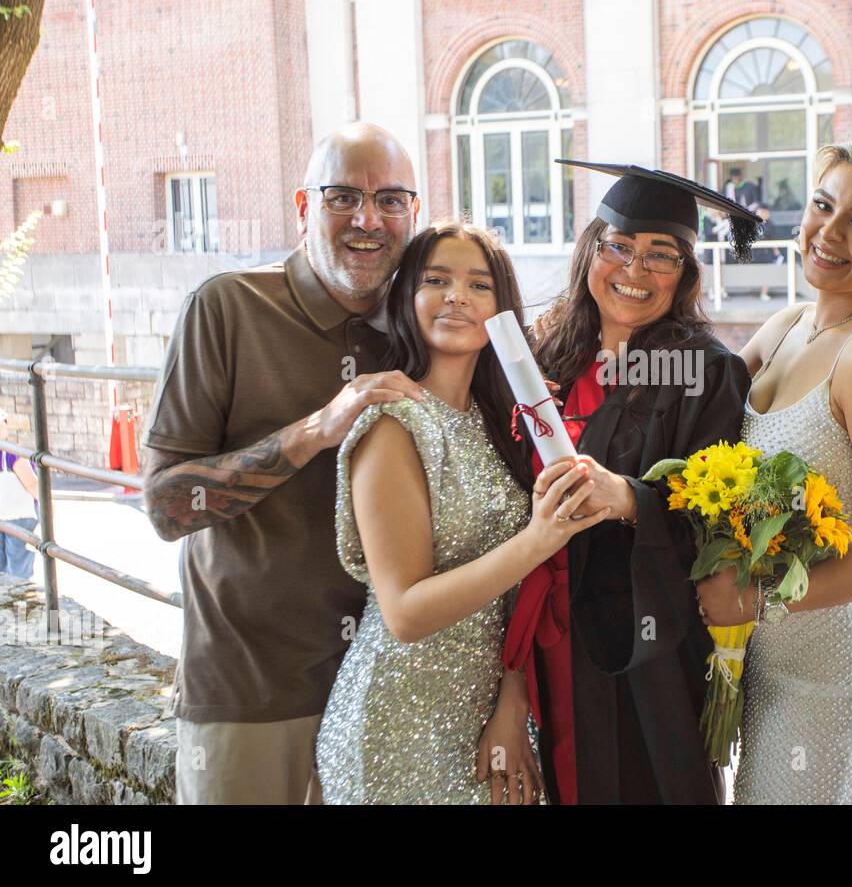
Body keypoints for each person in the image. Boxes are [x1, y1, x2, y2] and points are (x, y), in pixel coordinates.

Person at [142, 122, 427, 804]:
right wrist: (314, 431)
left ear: (415, 215)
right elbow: (164, 507)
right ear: (303, 209)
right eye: (342, 197)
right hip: (249, 688)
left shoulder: (423, 326)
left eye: (390, 200)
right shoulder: (227, 307)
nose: (368, 219)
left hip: (389, 691)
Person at [316, 224, 609, 804]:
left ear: (501, 312)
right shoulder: (395, 425)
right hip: (398, 721)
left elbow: (513, 598)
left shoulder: (498, 423)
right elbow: (405, 612)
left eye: (479, 284)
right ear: (407, 298)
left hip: (489, 713)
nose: (457, 296)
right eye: (437, 280)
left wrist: (513, 693)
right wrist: (540, 538)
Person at [503, 158, 757, 804]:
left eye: (660, 255)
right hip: (543, 639)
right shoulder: (551, 354)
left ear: (686, 273)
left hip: (637, 653)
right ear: (593, 248)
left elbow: (715, 530)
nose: (633, 271)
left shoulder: (704, 374)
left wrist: (630, 499)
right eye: (618, 245)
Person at [698, 137, 852, 804]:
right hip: (770, 660)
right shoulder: (785, 326)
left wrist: (755, 600)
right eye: (823, 206)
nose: (829, 233)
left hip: (836, 670)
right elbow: (696, 424)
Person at [0, 409, 39, 580]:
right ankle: (19, 606)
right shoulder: (11, 452)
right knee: (19, 568)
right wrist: (48, 506)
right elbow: (32, 483)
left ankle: (5, 603)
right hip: (19, 515)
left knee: (2, 567)